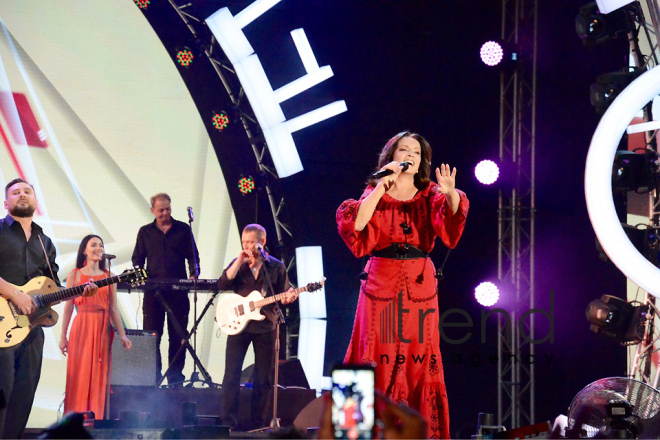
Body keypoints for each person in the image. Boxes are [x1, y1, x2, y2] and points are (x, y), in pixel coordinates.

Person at [336, 132, 469, 439]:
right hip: (379, 281)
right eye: (404, 150)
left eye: (416, 152)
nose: (410, 155)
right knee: (371, 350)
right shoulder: (375, 189)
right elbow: (355, 224)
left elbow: (451, 224)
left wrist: (450, 194)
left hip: (419, 284)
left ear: (422, 161)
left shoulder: (430, 193)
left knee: (419, 357)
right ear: (391, 155)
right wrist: (382, 185)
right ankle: (356, 432)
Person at [0, 178, 98, 439]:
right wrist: (16, 294)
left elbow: (50, 293)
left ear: (35, 201)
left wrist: (79, 291)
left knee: (23, 397)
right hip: (1, 327)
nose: (22, 195)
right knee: (1, 392)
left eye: (27, 191)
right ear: (6, 202)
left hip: (31, 331)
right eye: (15, 192)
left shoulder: (46, 242)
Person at [217, 224, 297, 430]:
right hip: (239, 327)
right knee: (231, 375)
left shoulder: (276, 267)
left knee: (263, 379)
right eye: (244, 242)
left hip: (266, 326)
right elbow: (222, 284)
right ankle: (228, 422)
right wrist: (237, 262)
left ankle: (258, 424)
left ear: (262, 242)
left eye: (251, 242)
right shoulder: (239, 265)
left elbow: (284, 294)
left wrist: (289, 297)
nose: (246, 246)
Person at [59, 234, 132, 419]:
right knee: (80, 374)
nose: (98, 248)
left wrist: (122, 335)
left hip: (102, 328)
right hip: (81, 326)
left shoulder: (110, 276)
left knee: (99, 376)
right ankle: (75, 422)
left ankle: (96, 420)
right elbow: (68, 306)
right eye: (94, 245)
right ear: (84, 250)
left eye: (101, 245)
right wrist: (63, 337)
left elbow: (114, 307)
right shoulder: (74, 275)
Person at [132, 193, 199, 385]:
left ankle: (175, 379)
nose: (165, 213)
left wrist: (194, 275)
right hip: (153, 293)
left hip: (178, 291)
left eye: (168, 209)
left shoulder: (183, 230)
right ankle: (153, 379)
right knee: (152, 336)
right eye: (161, 210)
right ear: (152, 210)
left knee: (178, 336)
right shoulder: (145, 232)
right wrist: (141, 277)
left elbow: (193, 257)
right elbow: (137, 259)